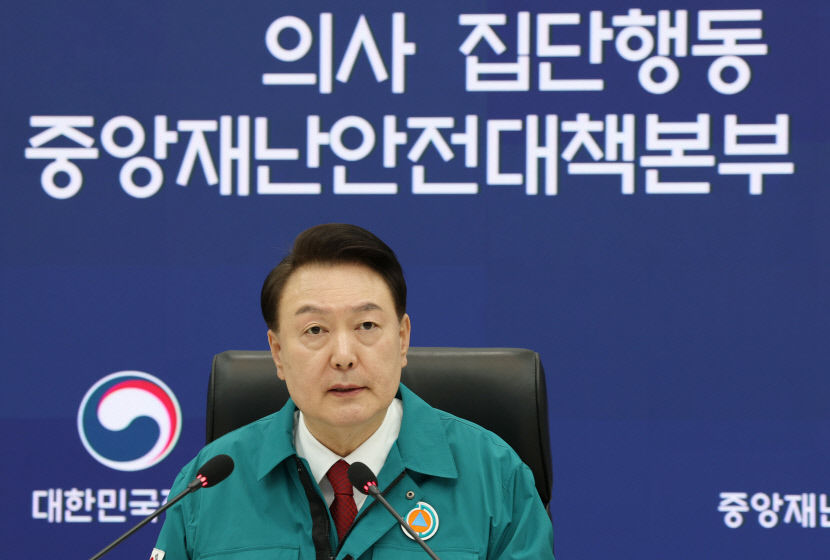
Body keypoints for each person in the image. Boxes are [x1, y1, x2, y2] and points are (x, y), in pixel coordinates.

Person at [152, 223, 555, 560]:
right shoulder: (208, 485)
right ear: (277, 353)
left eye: (366, 326)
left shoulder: (495, 476)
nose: (343, 356)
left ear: (402, 339)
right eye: (315, 330)